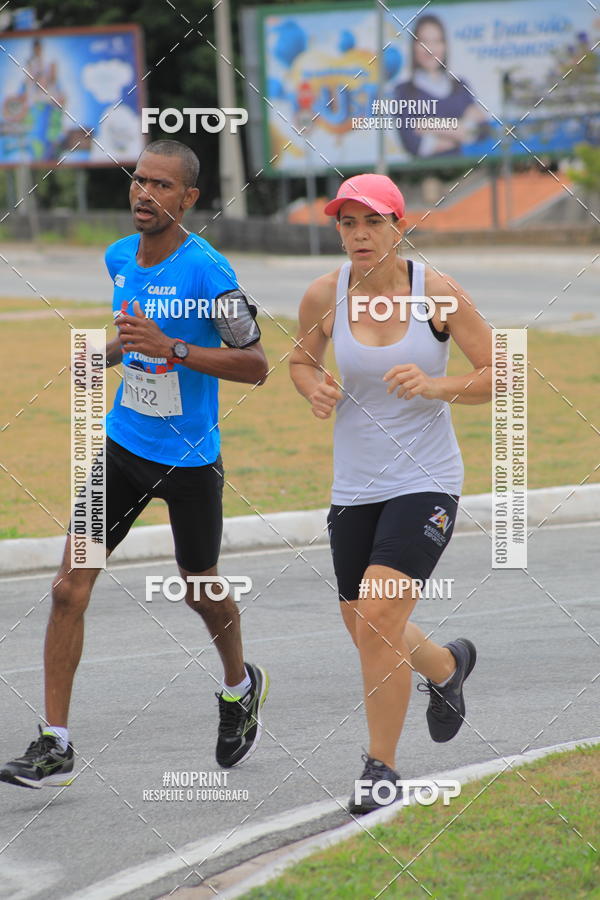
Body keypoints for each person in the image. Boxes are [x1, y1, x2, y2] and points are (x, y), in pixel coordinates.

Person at [0, 140, 270, 789]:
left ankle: (240, 686)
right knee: (69, 585)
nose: (144, 193)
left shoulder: (211, 272)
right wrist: (111, 353)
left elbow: (257, 365)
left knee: (199, 588)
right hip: (123, 449)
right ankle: (56, 742)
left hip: (190, 462)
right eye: (138, 180)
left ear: (188, 199)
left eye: (160, 185)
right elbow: (133, 335)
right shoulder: (119, 258)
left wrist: (173, 347)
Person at [289, 173, 492, 814]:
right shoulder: (325, 294)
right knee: (363, 624)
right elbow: (298, 359)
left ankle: (381, 769)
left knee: (377, 617)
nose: (359, 235)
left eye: (372, 222)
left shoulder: (437, 294)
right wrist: (312, 385)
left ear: (399, 226)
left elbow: (501, 372)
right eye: (347, 223)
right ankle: (444, 668)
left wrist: (436, 387)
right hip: (355, 484)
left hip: (425, 480)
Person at [394, 14, 487, 158]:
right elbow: (414, 145)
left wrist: (429, 124)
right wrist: (461, 131)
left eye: (437, 41)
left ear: (445, 45)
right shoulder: (403, 92)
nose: (430, 49)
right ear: (413, 46)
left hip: (467, 171)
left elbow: (482, 131)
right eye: (424, 42)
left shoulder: (460, 86)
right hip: (423, 176)